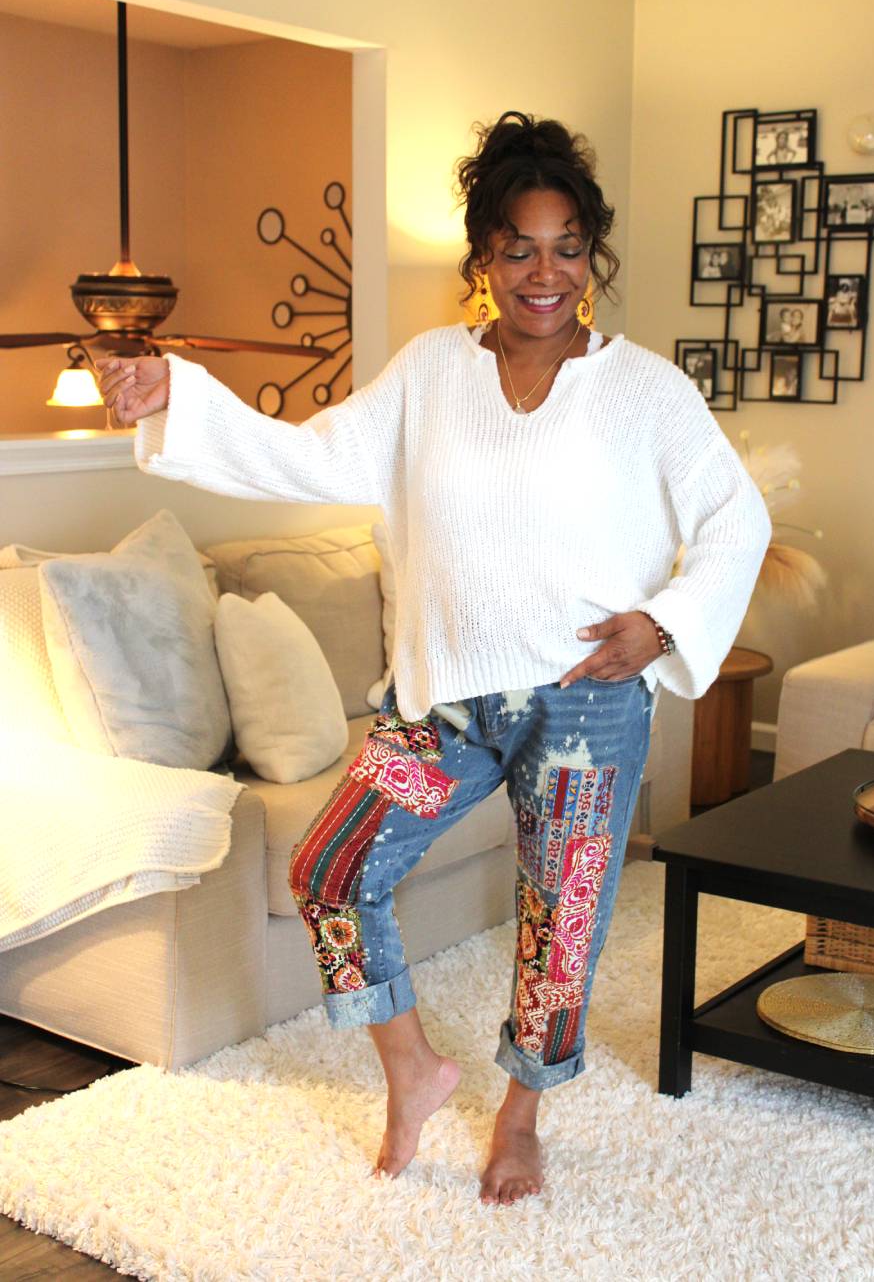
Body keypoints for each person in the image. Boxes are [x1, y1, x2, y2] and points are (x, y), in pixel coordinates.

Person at [98, 111, 770, 1207]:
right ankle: (411, 1069)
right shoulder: (428, 375)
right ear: (483, 260)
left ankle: (520, 1115)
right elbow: (310, 457)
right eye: (517, 246)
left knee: (563, 921)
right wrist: (179, 397)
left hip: (587, 706)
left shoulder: (647, 391)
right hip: (451, 697)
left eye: (563, 245)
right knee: (331, 870)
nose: (541, 271)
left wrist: (668, 624)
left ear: (590, 255)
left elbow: (736, 521)